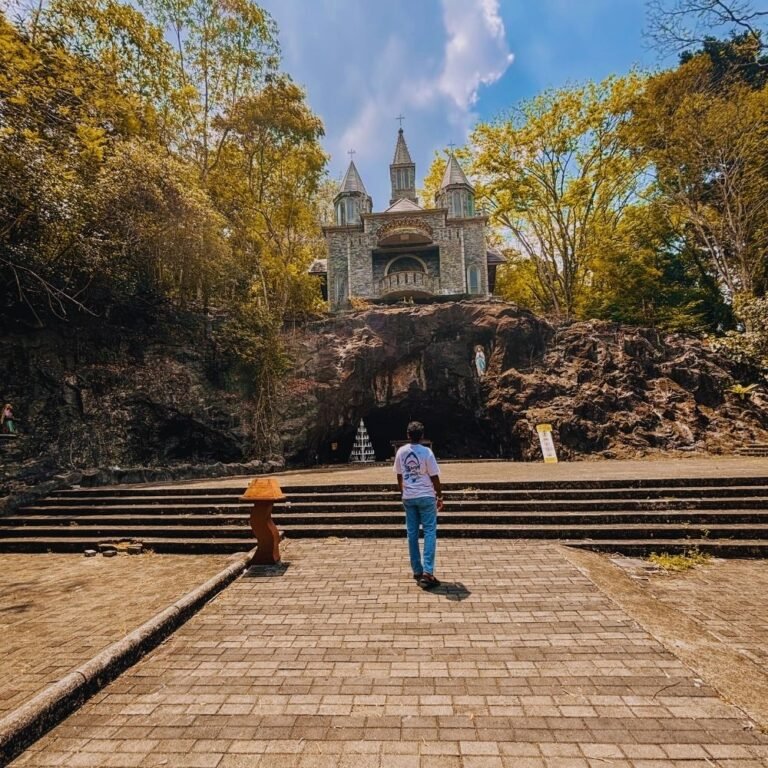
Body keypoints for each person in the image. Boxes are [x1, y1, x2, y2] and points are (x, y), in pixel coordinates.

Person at [393, 421, 443, 589]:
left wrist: (403, 492)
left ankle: (417, 569)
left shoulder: (401, 451)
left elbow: (399, 475)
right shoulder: (427, 452)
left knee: (412, 533)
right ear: (422, 436)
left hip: (409, 496)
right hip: (426, 496)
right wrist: (440, 496)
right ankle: (428, 573)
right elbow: (434, 476)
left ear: (408, 435)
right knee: (430, 532)